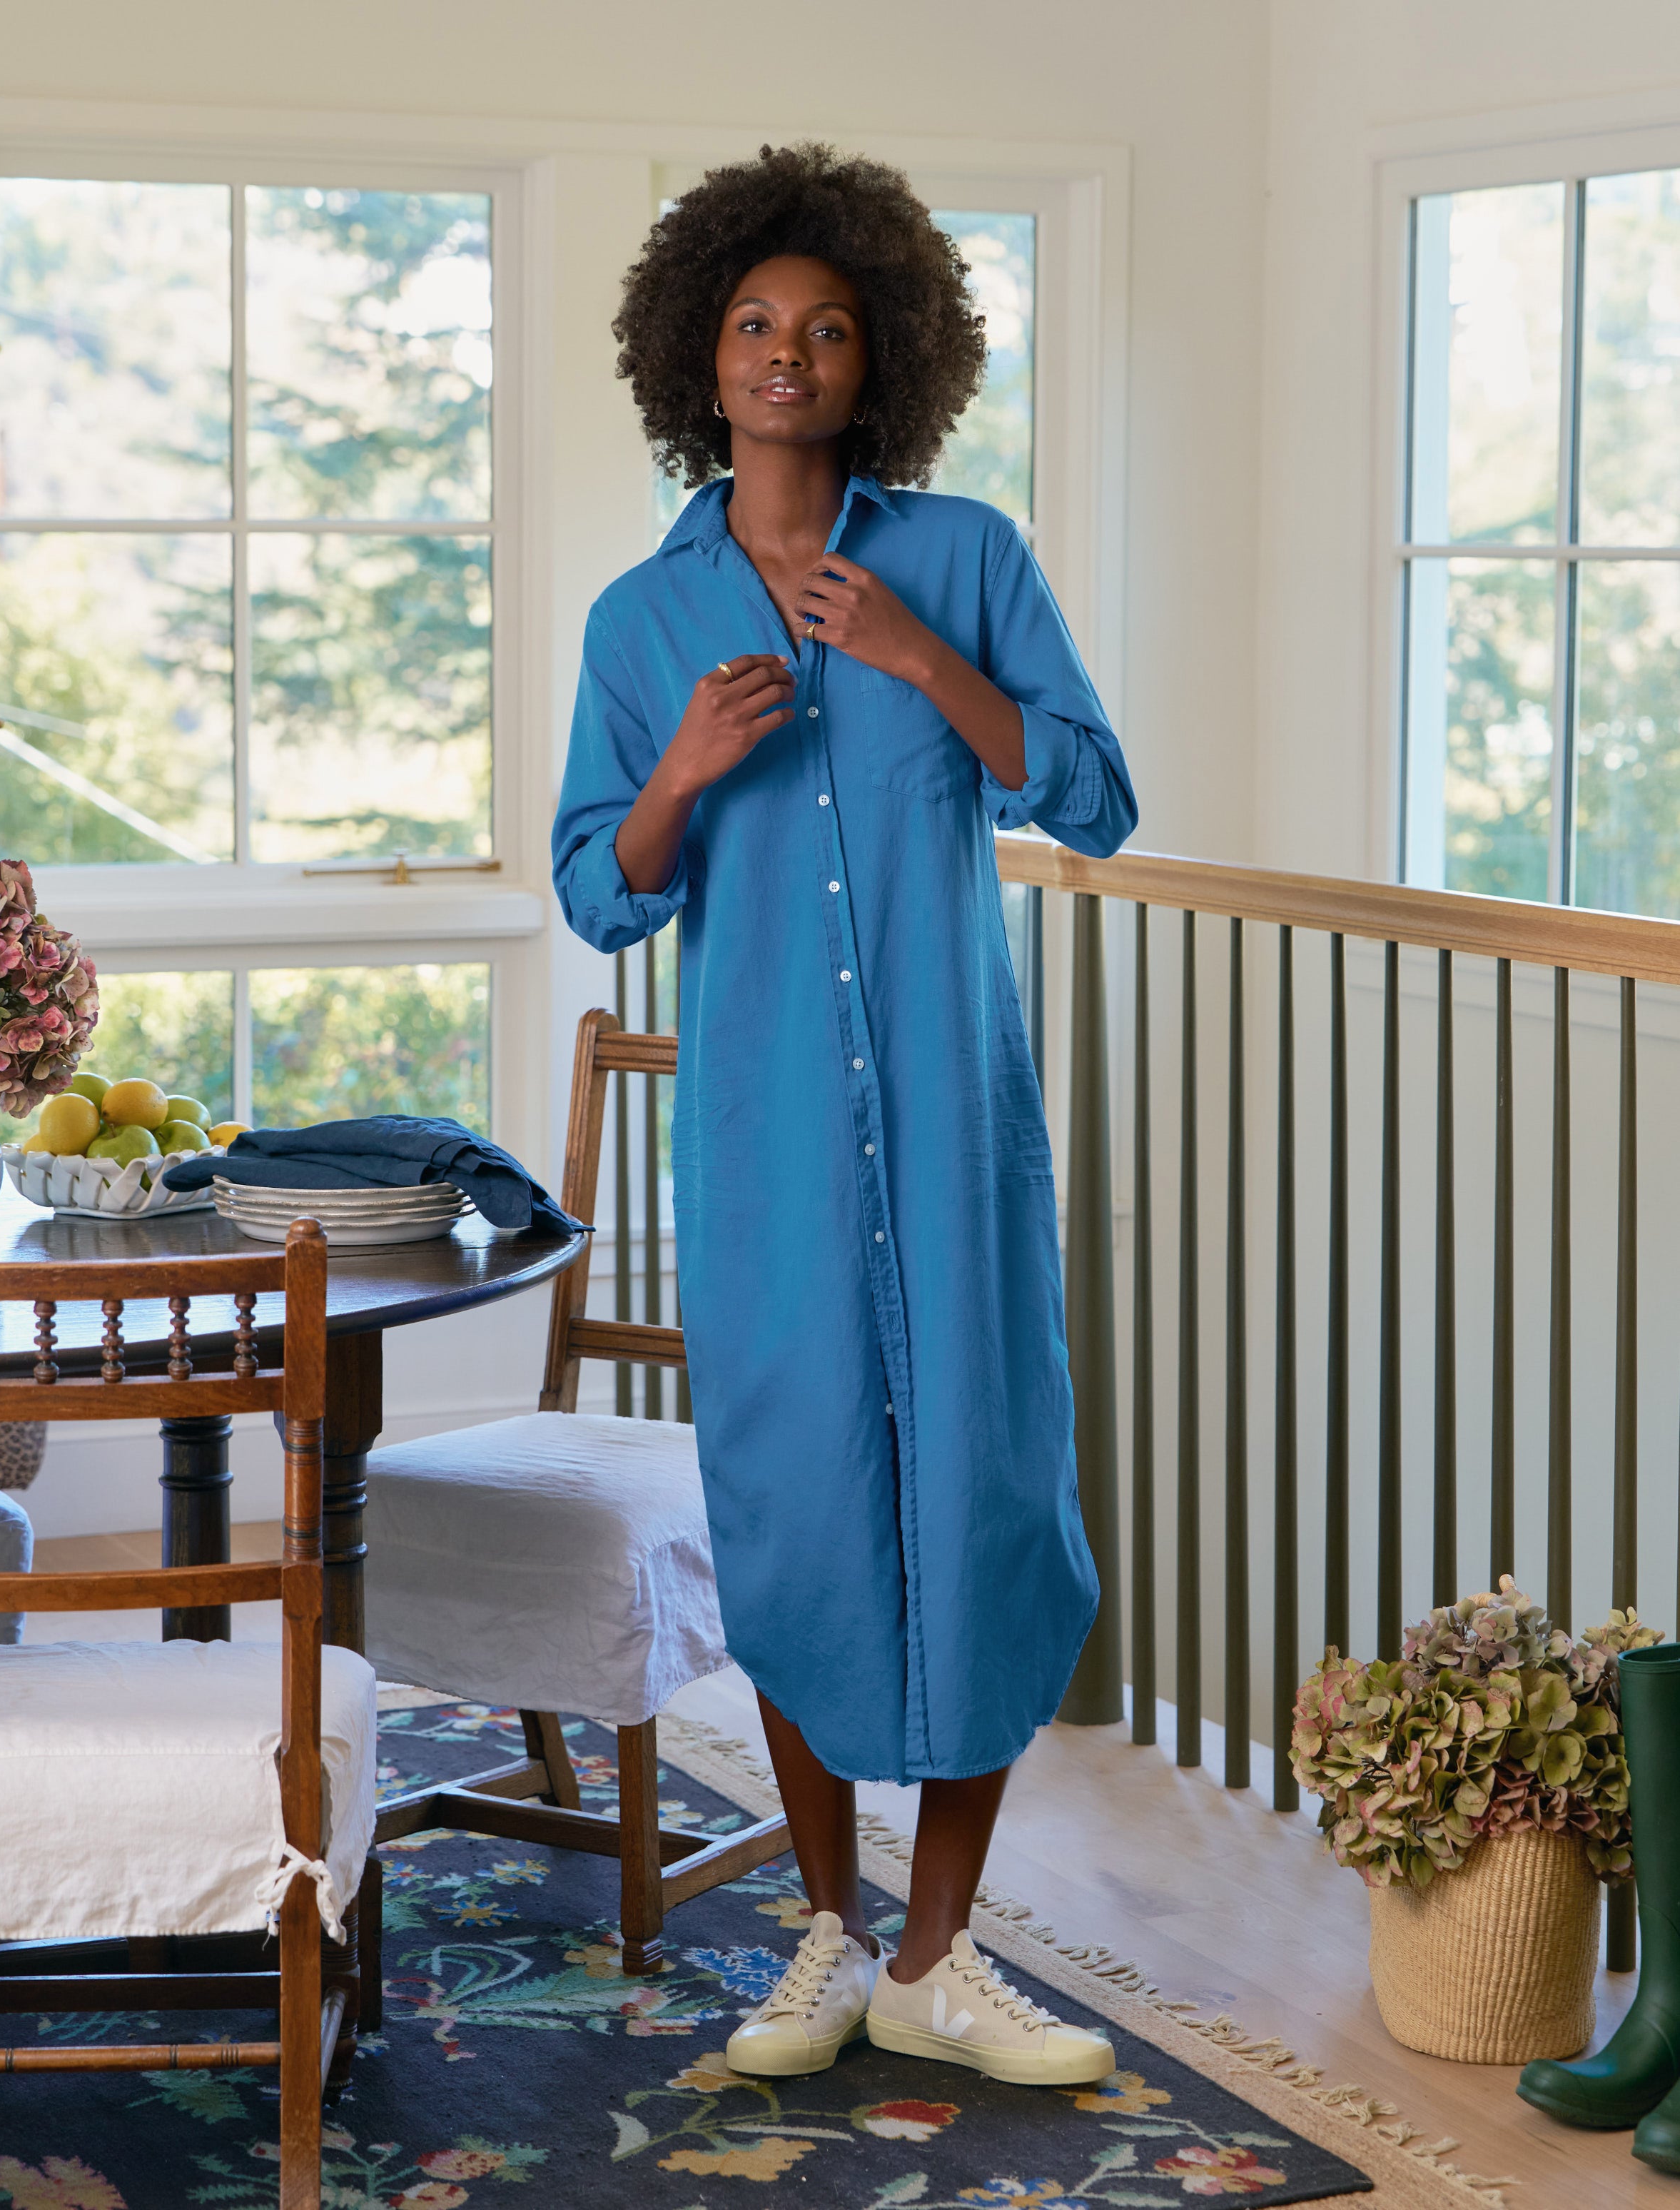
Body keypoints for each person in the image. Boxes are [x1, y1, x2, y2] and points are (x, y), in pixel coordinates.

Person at [552, 143, 1136, 2088]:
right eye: (749, 326)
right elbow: (598, 888)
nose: (784, 354)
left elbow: (1091, 792)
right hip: (767, 1153)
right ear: (695, 361)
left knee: (984, 1506)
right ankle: (821, 1931)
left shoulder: (961, 557)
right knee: (796, 1510)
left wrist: (915, 658)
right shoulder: (642, 623)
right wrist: (688, 768)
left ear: (878, 360)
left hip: (954, 1145)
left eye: (822, 328)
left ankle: (942, 1956)